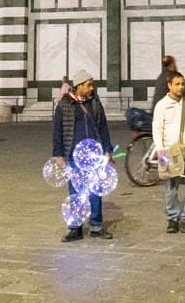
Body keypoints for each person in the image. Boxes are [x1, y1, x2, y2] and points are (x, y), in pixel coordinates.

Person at [50, 69, 113, 241]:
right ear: (79, 86)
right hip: (73, 155)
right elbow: (57, 131)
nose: (92, 88)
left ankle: (96, 226)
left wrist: (107, 149)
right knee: (76, 192)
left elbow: (103, 127)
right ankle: (75, 228)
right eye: (89, 85)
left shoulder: (95, 103)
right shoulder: (64, 105)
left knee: (95, 191)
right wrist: (58, 154)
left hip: (94, 155)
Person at [151, 71, 185, 234]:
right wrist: (160, 149)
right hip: (169, 150)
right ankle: (173, 218)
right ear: (169, 85)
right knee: (171, 185)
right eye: (177, 84)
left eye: (182, 83)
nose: (181, 87)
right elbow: (157, 129)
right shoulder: (162, 105)